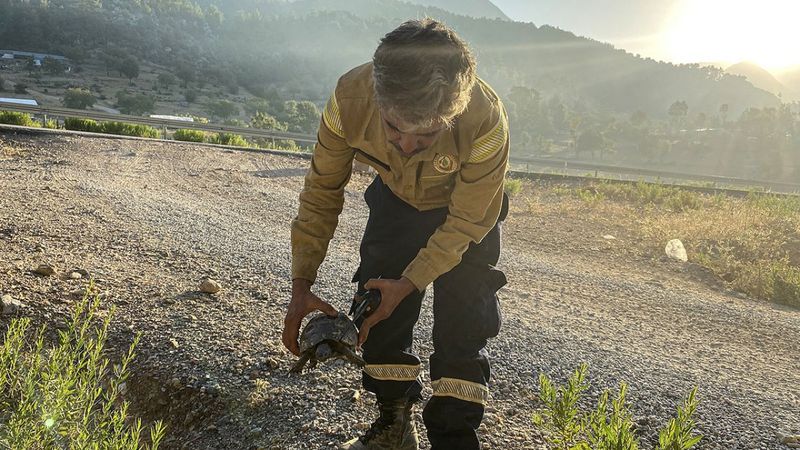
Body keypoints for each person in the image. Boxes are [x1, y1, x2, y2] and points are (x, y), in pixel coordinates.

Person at [283, 18, 510, 450]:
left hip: (465, 215)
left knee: (463, 326)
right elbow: (321, 193)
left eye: (427, 135)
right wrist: (301, 284)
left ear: (454, 113)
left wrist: (409, 282)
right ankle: (394, 425)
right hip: (396, 203)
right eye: (393, 129)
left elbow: (467, 221)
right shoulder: (348, 100)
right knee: (377, 313)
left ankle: (455, 441)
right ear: (377, 96)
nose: (406, 147)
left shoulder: (486, 120)